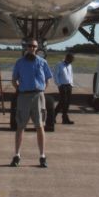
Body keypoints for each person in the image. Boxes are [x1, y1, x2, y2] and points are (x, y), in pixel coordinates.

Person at [10, 39, 53, 168]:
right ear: (26, 47)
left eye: (34, 46)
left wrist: (41, 92)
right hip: (23, 96)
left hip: (38, 96)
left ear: (37, 48)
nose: (32, 48)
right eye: (30, 46)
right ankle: (17, 155)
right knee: (20, 126)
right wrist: (20, 89)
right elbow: (14, 80)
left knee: (40, 126)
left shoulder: (43, 62)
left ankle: (42, 156)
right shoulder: (19, 63)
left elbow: (47, 81)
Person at [54, 52, 75, 125]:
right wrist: (59, 84)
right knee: (62, 101)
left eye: (72, 60)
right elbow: (55, 75)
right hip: (62, 86)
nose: (71, 61)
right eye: (70, 59)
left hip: (69, 85)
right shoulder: (59, 64)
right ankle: (53, 116)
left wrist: (71, 84)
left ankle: (65, 118)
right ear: (66, 58)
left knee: (67, 102)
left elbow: (71, 75)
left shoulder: (70, 66)